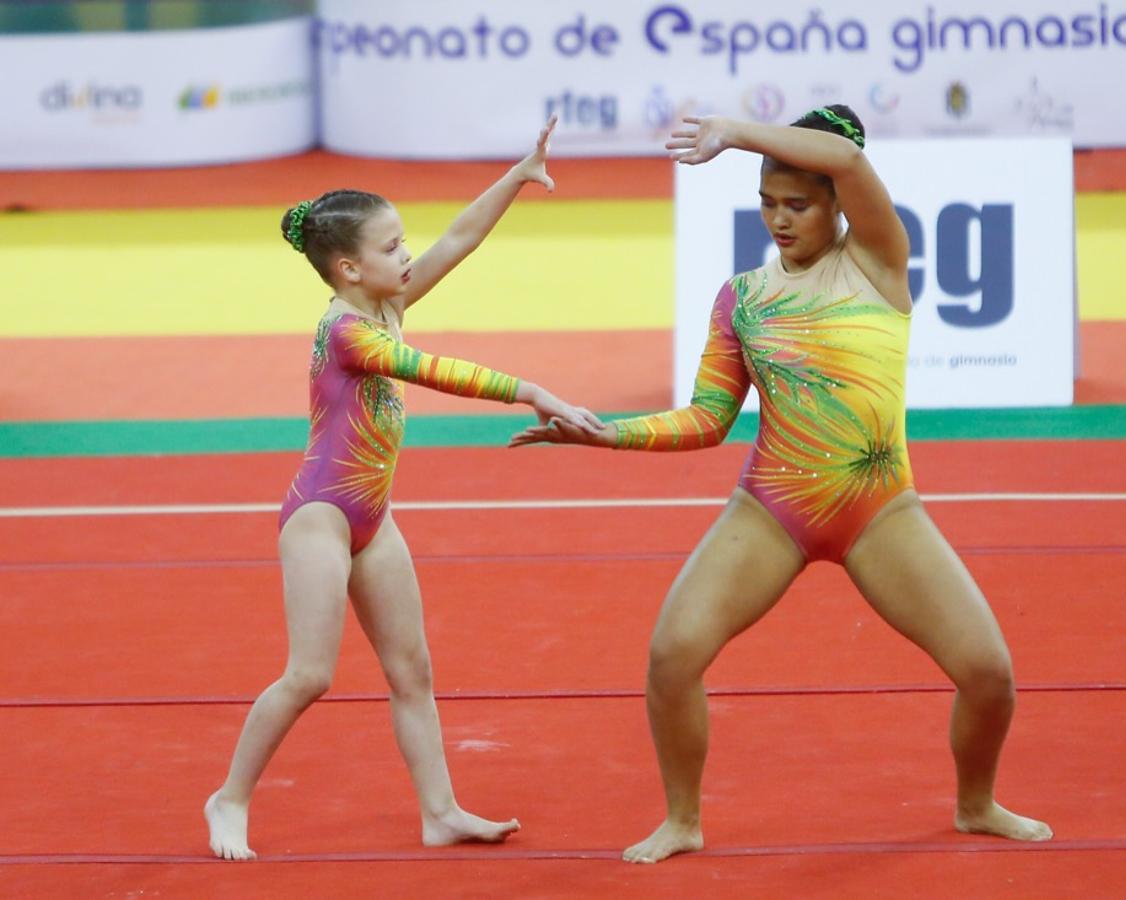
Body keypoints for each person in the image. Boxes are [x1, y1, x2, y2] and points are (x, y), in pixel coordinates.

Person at [511, 106, 1053, 863]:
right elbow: (706, 419)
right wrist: (608, 434)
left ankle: (976, 804)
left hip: (879, 509)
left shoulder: (877, 262)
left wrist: (735, 129)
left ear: (834, 202)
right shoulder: (743, 298)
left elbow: (855, 164)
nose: (778, 219)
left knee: (988, 673)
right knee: (672, 655)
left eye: (796, 204)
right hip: (772, 506)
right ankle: (682, 820)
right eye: (767, 203)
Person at [205, 115, 601, 861]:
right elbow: (440, 371)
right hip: (320, 517)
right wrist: (534, 390)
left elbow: (457, 240)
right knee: (310, 674)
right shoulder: (347, 331)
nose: (407, 253)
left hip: (372, 519)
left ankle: (440, 812)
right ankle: (227, 798)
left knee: (411, 670)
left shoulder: (384, 303)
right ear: (348, 269)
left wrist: (516, 177)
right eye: (391, 247)